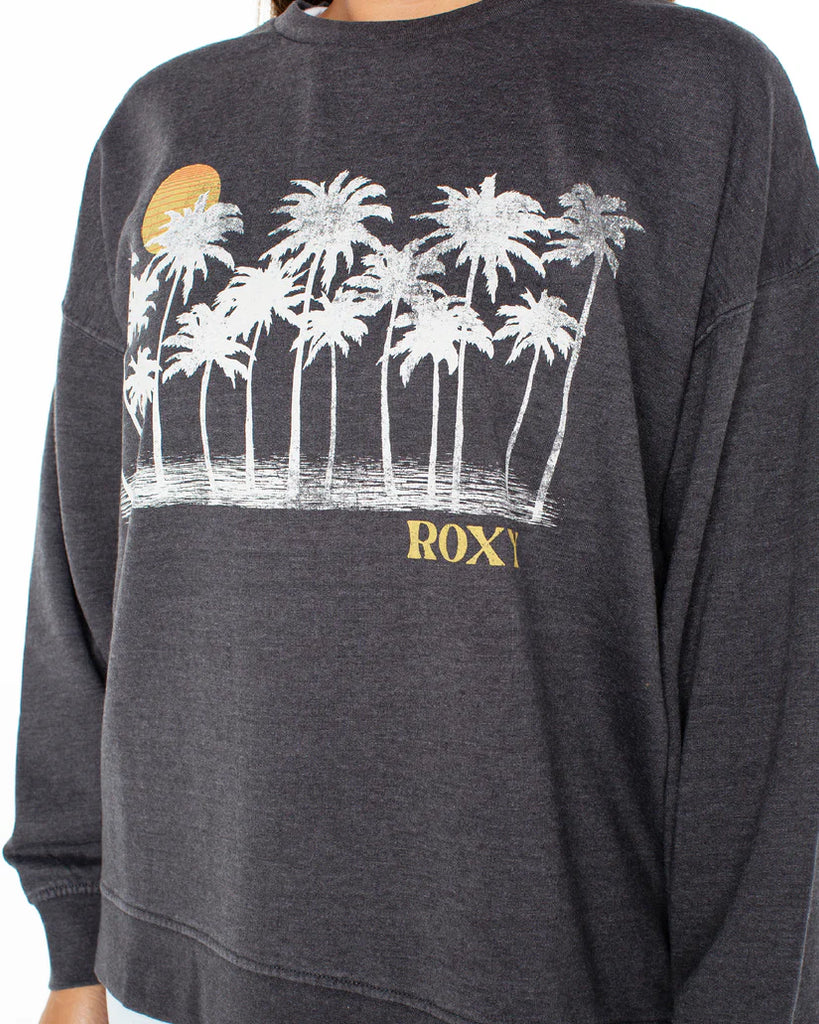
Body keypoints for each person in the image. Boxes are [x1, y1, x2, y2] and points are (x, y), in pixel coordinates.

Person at [4, 0, 818, 1021]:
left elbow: (766, 657)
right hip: (177, 974)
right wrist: (72, 935)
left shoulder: (696, 97)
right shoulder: (161, 122)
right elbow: (82, 566)